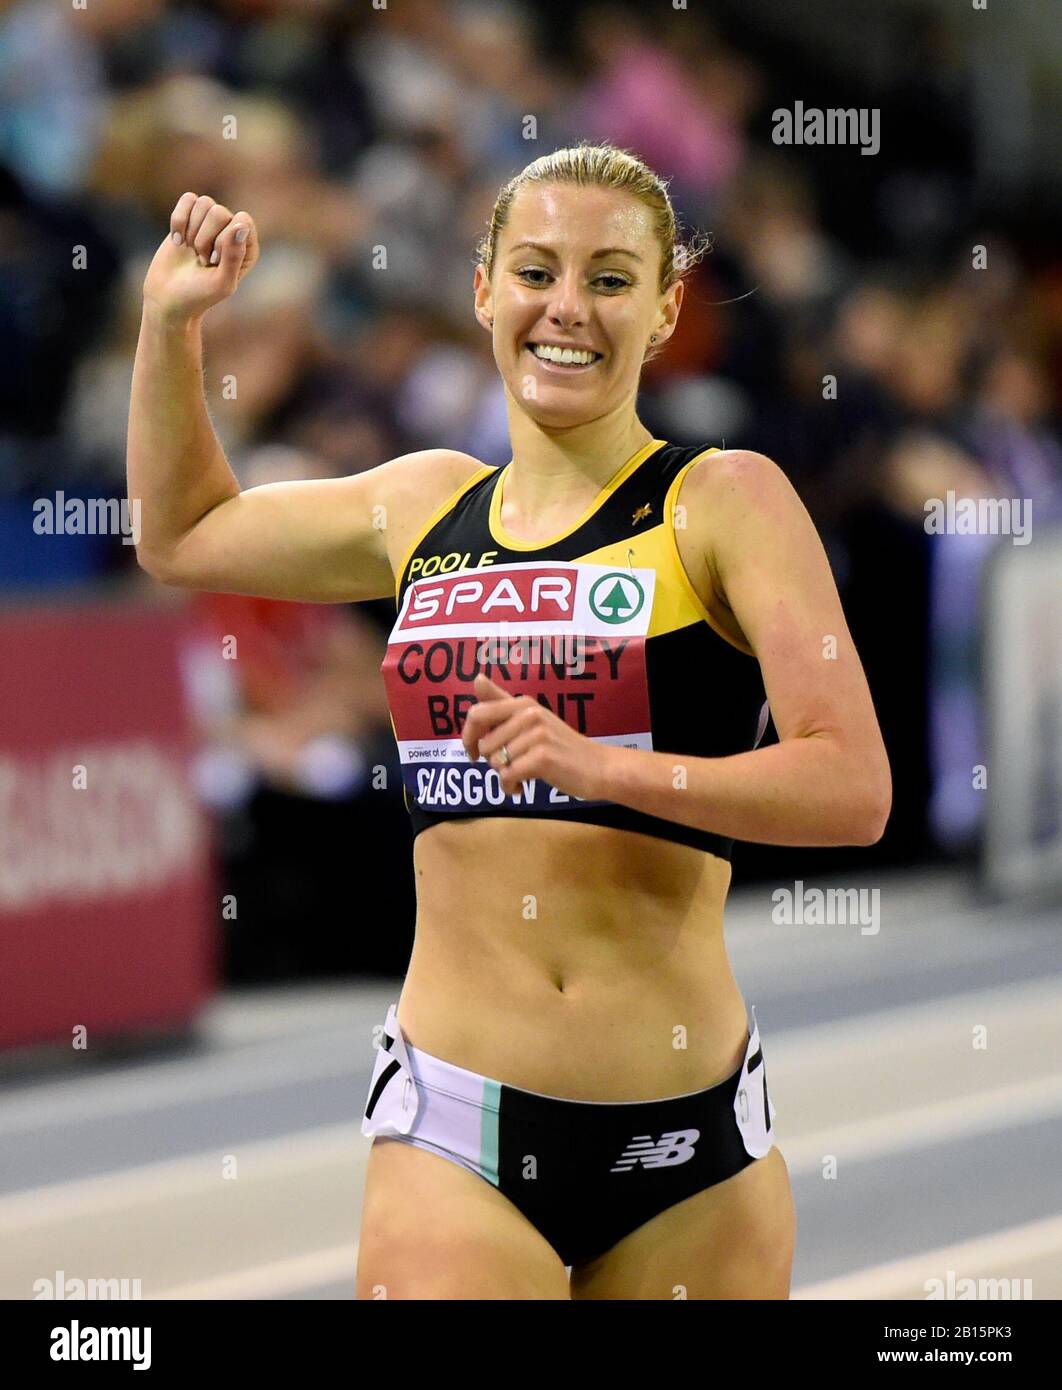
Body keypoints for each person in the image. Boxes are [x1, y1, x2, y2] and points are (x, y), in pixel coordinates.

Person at [128, 142, 891, 1300]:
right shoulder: (420, 502)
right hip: (459, 1130)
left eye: (610, 278)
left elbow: (853, 788)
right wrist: (169, 324)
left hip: (689, 1151)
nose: (567, 309)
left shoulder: (724, 500)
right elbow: (182, 534)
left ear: (666, 305)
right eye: (536, 272)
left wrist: (610, 771)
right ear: (483, 290)